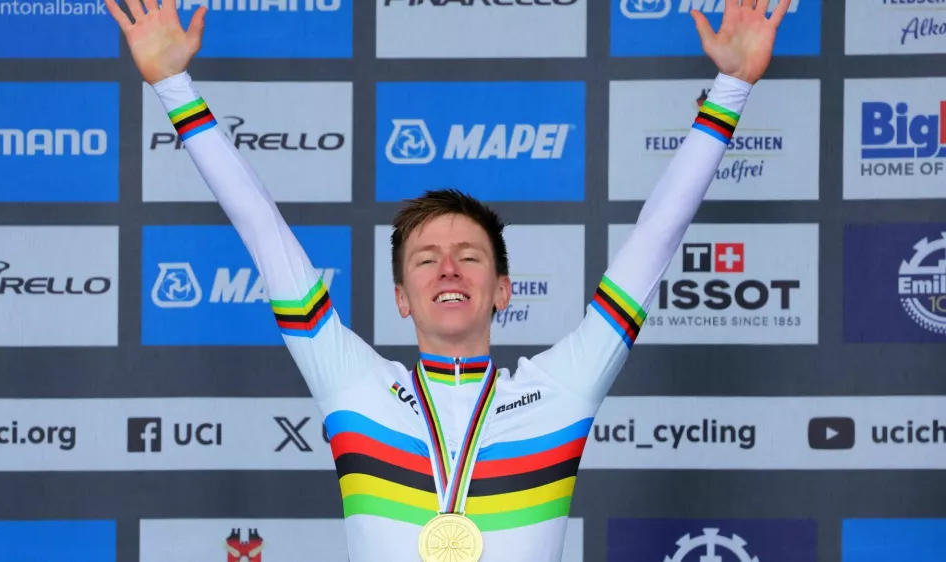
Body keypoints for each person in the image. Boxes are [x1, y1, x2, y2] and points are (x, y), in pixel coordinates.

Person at [105, 0, 790, 559]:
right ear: (401, 298)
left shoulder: (561, 390)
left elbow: (653, 241)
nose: (449, 268)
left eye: (470, 255)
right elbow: (263, 232)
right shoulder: (354, 385)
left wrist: (731, 90)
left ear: (503, 290)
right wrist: (174, 87)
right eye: (426, 259)